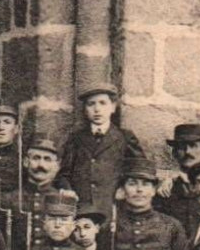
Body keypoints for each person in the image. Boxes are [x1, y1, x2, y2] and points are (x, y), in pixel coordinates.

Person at [59, 86, 142, 218]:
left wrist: (124, 188)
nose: (97, 109)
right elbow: (64, 173)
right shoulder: (76, 138)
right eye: (91, 104)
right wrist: (68, 191)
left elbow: (139, 169)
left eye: (103, 103)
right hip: (81, 206)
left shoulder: (124, 137)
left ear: (113, 107)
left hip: (113, 205)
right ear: (85, 110)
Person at [155, 123, 200, 241]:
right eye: (182, 147)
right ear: (174, 153)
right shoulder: (165, 190)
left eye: (193, 146)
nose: (188, 152)